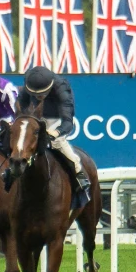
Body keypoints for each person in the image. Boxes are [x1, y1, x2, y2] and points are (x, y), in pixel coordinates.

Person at [15, 65, 90, 203]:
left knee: (58, 142)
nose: (39, 97)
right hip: (36, 116)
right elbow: (22, 105)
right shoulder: (29, 83)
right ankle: (9, 170)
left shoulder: (61, 89)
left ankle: (79, 173)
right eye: (36, 95)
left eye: (42, 94)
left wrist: (56, 132)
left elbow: (68, 122)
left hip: (57, 119)